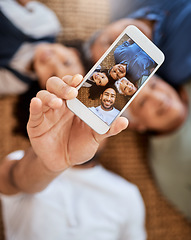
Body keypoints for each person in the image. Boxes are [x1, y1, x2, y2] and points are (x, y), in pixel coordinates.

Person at [0, 74, 147, 240]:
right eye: (79, 113)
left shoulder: (127, 195)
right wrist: (48, 165)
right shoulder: (24, 162)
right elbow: (13, 179)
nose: (82, 124)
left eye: (96, 112)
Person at [123, 74, 191, 221]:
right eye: (142, 102)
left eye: (153, 85)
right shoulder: (168, 168)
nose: (159, 98)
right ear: (136, 124)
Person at [86, 0, 191, 88]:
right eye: (119, 58)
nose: (124, 44)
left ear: (107, 26)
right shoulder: (176, 68)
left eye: (109, 42)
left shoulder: (124, 4)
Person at [0, 0, 85, 96]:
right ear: (73, 51)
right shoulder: (49, 25)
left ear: (44, 85)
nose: (52, 62)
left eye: (53, 75)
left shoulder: (17, 82)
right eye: (66, 63)